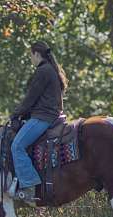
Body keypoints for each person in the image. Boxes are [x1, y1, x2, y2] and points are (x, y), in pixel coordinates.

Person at [9, 41, 69, 202]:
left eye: (31, 55)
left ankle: (29, 187)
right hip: (50, 115)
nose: (31, 59)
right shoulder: (51, 70)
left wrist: (15, 115)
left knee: (17, 146)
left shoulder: (43, 71)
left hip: (43, 117)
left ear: (36, 54)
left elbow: (31, 98)